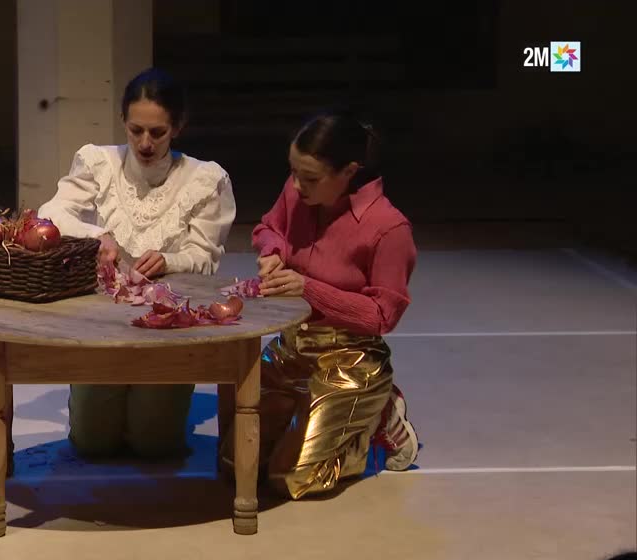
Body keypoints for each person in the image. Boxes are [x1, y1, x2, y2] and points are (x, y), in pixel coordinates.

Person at [37, 68, 237, 458]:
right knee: (92, 443)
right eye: (136, 130)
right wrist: (99, 236)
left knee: (154, 445)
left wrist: (169, 260)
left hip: (168, 329)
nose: (145, 143)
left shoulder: (205, 179)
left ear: (178, 126)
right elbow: (51, 213)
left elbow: (205, 258)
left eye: (157, 132)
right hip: (102, 325)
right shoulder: (99, 162)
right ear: (123, 122)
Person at [220, 111, 420, 499]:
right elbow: (268, 227)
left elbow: (383, 315)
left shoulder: (388, 227)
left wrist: (308, 288)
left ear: (349, 171)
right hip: (292, 348)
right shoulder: (298, 191)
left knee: (291, 480)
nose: (296, 185)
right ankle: (316, 417)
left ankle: (378, 415)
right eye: (293, 172)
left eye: (309, 178)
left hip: (351, 357)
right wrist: (273, 251)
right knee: (236, 465)